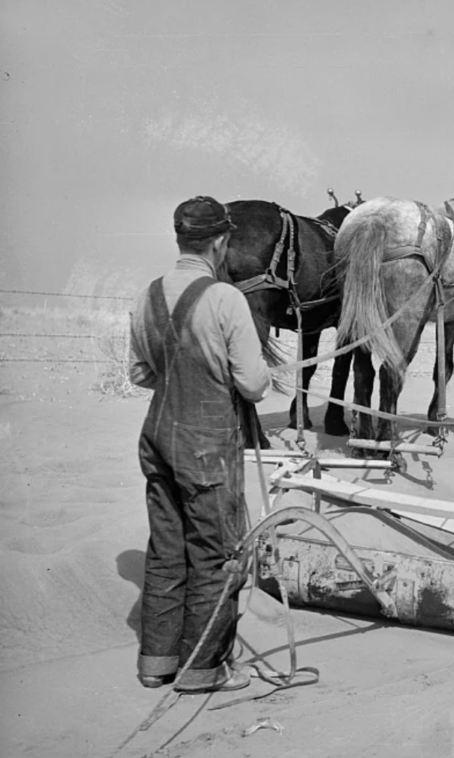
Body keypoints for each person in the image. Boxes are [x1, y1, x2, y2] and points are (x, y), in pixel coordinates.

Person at [129, 196, 271, 692]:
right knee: (215, 553)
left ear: (180, 239)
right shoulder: (226, 299)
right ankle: (203, 670)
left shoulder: (146, 296)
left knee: (166, 550)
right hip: (208, 444)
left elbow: (139, 372)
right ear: (219, 241)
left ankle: (156, 662)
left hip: (156, 435)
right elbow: (253, 385)